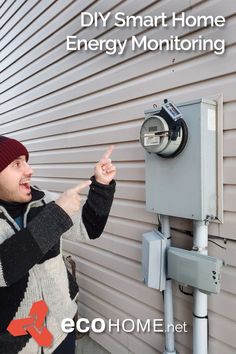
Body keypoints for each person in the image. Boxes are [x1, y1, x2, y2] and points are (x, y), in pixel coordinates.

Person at [0, 135, 116, 354]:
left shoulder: (44, 203)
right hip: (14, 344)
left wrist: (101, 187)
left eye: (26, 161)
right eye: (17, 164)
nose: (29, 170)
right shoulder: (53, 212)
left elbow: (88, 229)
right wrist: (55, 217)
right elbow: (3, 269)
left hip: (61, 329)